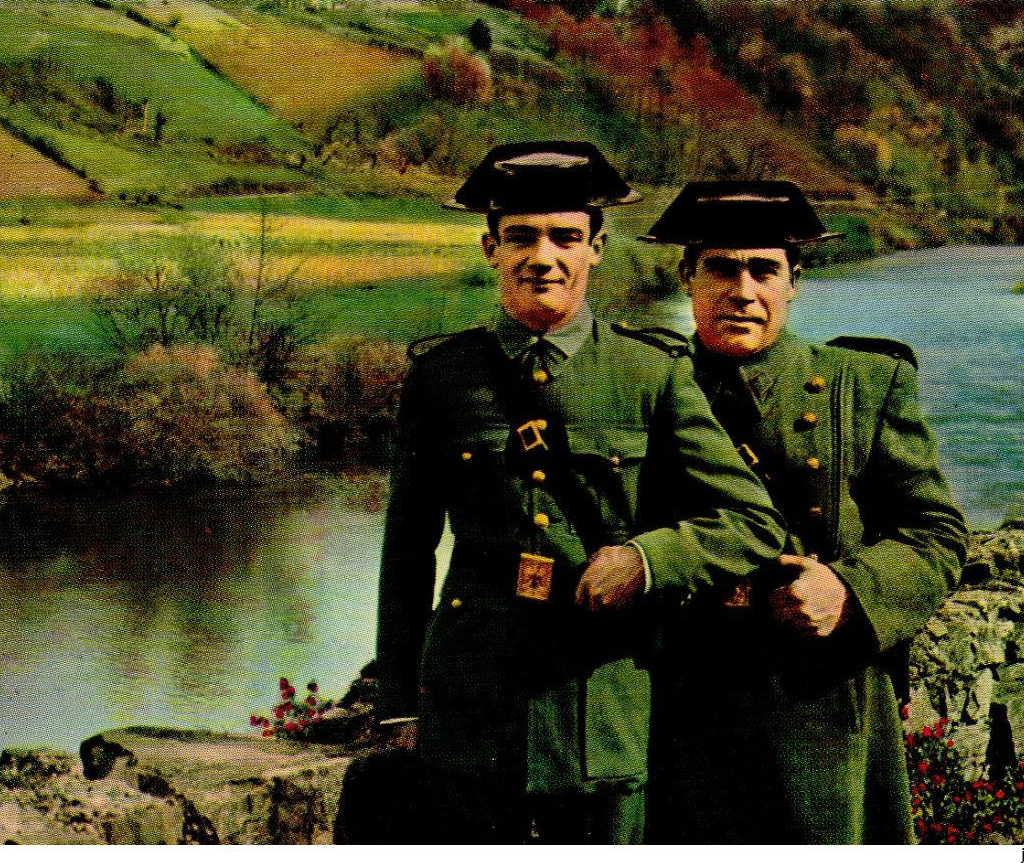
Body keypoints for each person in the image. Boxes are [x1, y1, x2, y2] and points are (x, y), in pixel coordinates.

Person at [373, 142, 787, 844]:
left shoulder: (647, 371)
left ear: (595, 248)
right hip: (469, 712)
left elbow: (750, 520)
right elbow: (406, 551)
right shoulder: (442, 377)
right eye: (521, 237)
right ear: (490, 248)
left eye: (565, 236)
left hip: (601, 707)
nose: (543, 256)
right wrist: (396, 707)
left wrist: (648, 559)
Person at [640, 180, 968, 844]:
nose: (742, 289)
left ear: (794, 281)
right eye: (720, 268)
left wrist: (848, 588)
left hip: (819, 706)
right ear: (686, 277)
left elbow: (935, 533)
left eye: (763, 269)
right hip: (673, 709)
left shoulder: (863, 382)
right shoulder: (636, 386)